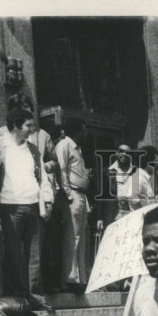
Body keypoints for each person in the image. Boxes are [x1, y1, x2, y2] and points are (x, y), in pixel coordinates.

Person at [0, 107, 54, 308]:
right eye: (28, 125)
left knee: (34, 254)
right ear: (16, 126)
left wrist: (46, 200)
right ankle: (16, 297)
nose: (32, 129)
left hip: (34, 207)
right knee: (13, 253)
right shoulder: (0, 147)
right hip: (10, 207)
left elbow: (43, 177)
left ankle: (35, 297)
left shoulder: (33, 149)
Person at [54, 117, 91, 292]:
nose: (85, 134)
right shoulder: (64, 145)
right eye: (83, 130)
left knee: (80, 238)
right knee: (72, 237)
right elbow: (60, 170)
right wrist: (68, 193)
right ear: (77, 129)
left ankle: (80, 278)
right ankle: (69, 279)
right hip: (73, 196)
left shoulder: (78, 149)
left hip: (81, 195)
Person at [98, 144, 155, 229]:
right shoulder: (107, 172)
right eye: (121, 151)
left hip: (132, 212)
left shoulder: (136, 171)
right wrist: (99, 218)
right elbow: (102, 196)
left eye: (127, 152)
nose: (124, 154)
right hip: (115, 214)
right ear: (117, 153)